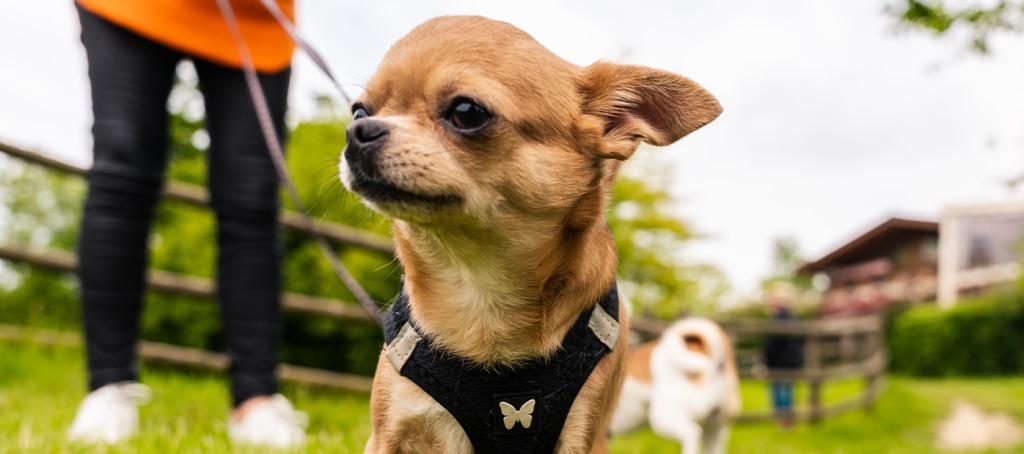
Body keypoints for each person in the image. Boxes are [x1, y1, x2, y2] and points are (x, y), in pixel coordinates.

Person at [67, 0, 305, 447]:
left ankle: (256, 397)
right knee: (122, 166)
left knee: (252, 195)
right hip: (131, 10)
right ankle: (108, 386)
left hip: (254, 16)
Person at [762, 284, 803, 428]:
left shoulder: (777, 319)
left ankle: (783, 422)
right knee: (787, 391)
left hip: (779, 362)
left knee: (780, 393)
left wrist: (765, 359)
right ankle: (788, 421)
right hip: (792, 362)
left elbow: (772, 344)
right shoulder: (794, 318)